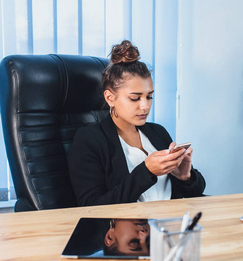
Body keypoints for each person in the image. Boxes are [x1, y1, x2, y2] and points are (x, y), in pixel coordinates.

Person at [68, 40, 205, 206]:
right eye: (135, 98)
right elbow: (92, 206)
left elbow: (195, 192)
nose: (145, 106)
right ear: (110, 98)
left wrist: (185, 177)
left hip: (170, 226)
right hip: (131, 230)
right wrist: (146, 172)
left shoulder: (157, 132)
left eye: (149, 97)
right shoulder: (90, 140)